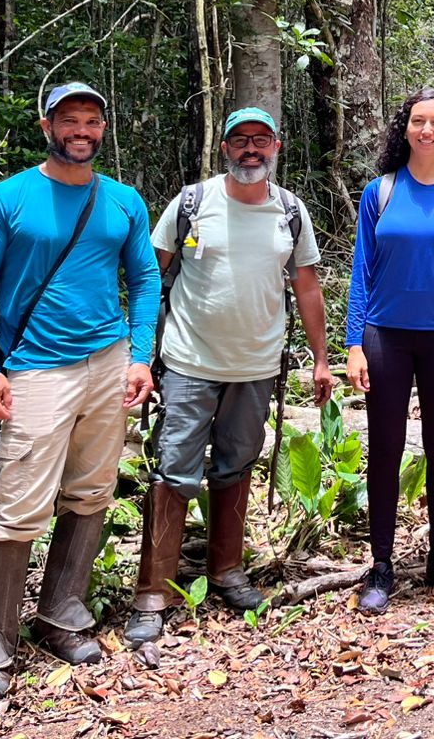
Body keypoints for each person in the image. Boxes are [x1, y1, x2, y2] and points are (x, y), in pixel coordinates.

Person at [0, 82, 159, 705]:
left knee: (93, 491)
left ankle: (61, 612)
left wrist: (140, 354)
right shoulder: (8, 198)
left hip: (108, 364)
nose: (82, 130)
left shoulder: (122, 200)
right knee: (18, 504)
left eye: (92, 121)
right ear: (47, 126)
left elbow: (145, 276)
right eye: (69, 119)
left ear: (102, 129)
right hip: (36, 370)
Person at [123, 107, 334, 646]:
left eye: (261, 141)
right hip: (190, 360)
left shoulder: (289, 212)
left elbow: (307, 287)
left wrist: (321, 357)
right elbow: (152, 273)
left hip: (257, 365)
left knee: (237, 462)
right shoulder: (192, 204)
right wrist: (140, 354)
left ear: (276, 148)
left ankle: (227, 571)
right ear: (224, 149)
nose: (250, 150)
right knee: (174, 467)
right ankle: (154, 591)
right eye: (240, 141)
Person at [343, 89, 434, 613]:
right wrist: (353, 343)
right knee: (384, 447)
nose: (427, 130)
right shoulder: (379, 193)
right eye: (418, 121)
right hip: (386, 335)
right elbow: (362, 271)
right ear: (405, 129)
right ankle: (381, 565)